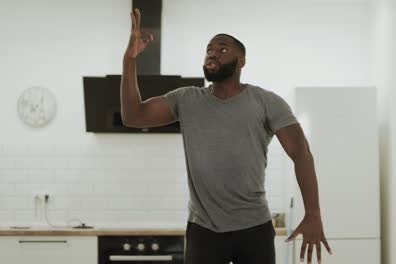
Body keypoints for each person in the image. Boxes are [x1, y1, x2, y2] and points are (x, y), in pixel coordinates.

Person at [121, 8, 332, 264]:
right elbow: (134, 116)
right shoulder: (186, 99)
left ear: (241, 61)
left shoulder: (266, 102)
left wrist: (313, 214)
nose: (212, 52)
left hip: (254, 227)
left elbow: (301, 154)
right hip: (203, 230)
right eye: (209, 48)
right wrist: (130, 60)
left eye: (222, 49)